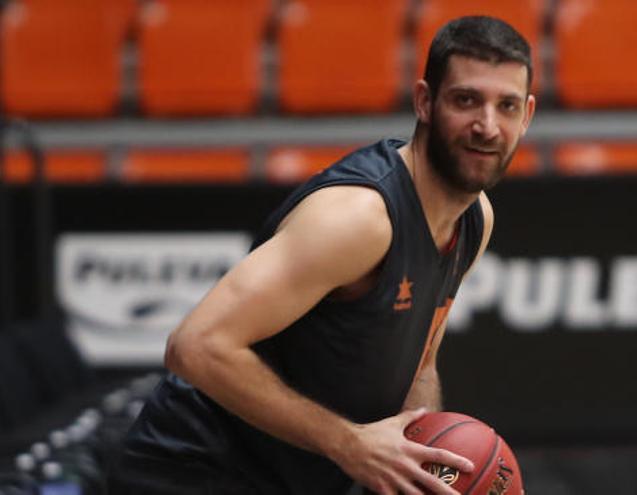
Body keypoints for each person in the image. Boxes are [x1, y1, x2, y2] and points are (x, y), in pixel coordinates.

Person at [109, 15, 535, 495]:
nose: (487, 125)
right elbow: (195, 346)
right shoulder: (360, 218)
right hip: (191, 473)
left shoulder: (475, 219)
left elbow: (421, 363)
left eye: (507, 106)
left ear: (527, 116)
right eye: (466, 100)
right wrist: (351, 444)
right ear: (424, 102)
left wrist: (420, 465)